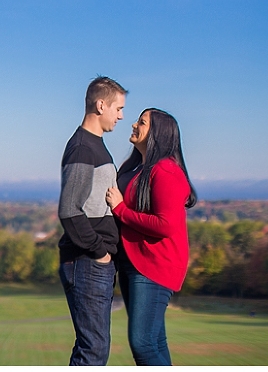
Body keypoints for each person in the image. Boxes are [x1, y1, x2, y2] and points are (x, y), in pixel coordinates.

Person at [105, 108, 197, 366]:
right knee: (154, 341)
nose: (133, 124)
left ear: (157, 134)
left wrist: (120, 209)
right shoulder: (136, 167)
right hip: (132, 262)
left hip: (155, 266)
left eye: (142, 122)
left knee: (142, 343)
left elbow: (165, 225)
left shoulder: (166, 171)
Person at [58, 76, 127, 366]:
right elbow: (70, 211)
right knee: (93, 350)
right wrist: (100, 252)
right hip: (87, 262)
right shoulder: (83, 148)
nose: (121, 116)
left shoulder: (96, 145)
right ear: (101, 105)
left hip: (93, 263)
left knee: (94, 348)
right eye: (118, 108)